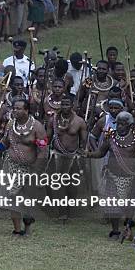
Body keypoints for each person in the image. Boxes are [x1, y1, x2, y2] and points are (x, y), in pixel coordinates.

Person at [85, 111, 135, 239]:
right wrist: (89, 154)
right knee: (113, 206)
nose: (120, 127)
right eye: (118, 124)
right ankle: (115, 231)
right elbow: (100, 153)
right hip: (112, 176)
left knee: (130, 207)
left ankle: (127, 229)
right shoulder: (110, 138)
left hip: (131, 178)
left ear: (130, 126)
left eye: (124, 124)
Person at [0, 99, 48, 236]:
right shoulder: (10, 125)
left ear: (26, 110)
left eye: (18, 108)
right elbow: (4, 143)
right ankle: (16, 229)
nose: (14, 111)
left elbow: (43, 150)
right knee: (12, 198)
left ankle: (27, 229)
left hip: (29, 169)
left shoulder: (37, 127)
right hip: (11, 166)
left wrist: (37, 170)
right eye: (14, 108)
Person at [46, 93, 87, 221]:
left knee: (71, 186)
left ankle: (70, 209)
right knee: (53, 183)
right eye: (62, 104)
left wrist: (81, 154)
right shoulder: (53, 120)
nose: (64, 107)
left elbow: (83, 140)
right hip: (56, 154)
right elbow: (47, 138)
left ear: (73, 105)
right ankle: (60, 210)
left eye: (67, 104)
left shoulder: (79, 121)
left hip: (72, 156)